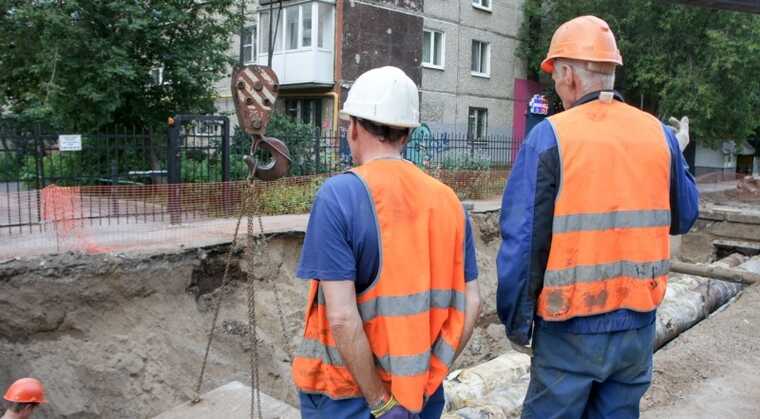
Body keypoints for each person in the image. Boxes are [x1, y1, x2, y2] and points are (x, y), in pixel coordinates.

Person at [496, 15, 699, 418]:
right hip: (637, 328)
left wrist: (518, 324)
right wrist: (680, 154)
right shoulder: (658, 135)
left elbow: (523, 243)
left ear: (569, 74)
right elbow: (685, 216)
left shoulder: (550, 137)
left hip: (569, 329)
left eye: (555, 76)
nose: (556, 86)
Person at [292, 66, 481, 419]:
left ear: (355, 128)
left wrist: (381, 403)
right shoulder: (449, 201)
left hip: (349, 398)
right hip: (422, 396)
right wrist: (432, 373)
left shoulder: (340, 196)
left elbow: (343, 317)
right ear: (407, 133)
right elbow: (472, 303)